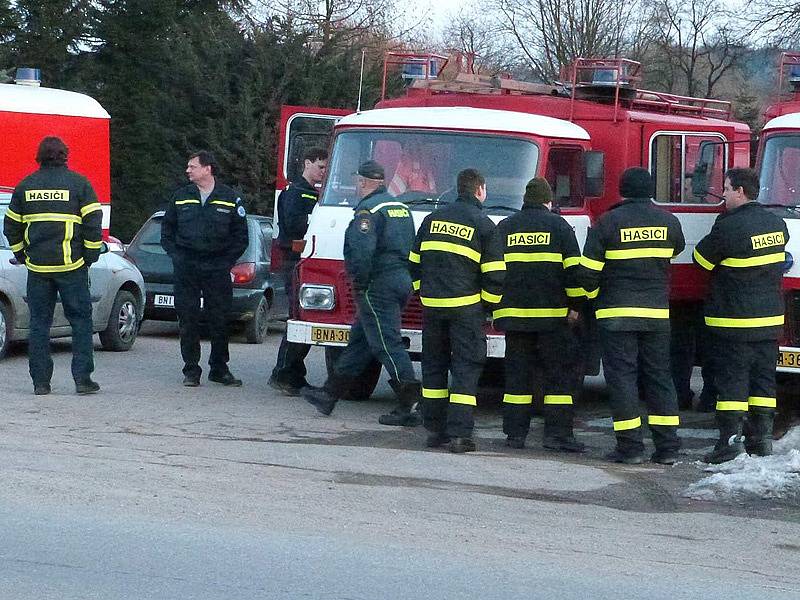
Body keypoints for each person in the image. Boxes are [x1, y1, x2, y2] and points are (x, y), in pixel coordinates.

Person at [578, 167, 685, 465]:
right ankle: (667, 447)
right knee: (659, 377)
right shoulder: (668, 221)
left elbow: (588, 273)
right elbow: (674, 250)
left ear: (623, 190)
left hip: (617, 314)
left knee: (623, 379)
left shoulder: (608, 222)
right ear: (650, 190)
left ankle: (630, 447)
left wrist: (589, 297)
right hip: (656, 315)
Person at [303, 160, 421, 426]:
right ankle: (329, 394)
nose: (357, 186)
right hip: (400, 279)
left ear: (365, 182)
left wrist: (360, 283)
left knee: (386, 342)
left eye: (358, 181)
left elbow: (362, 252)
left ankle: (410, 404)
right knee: (360, 342)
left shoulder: (368, 211)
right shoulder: (401, 208)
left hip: (378, 284)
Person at [693, 167, 789, 463]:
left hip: (734, 321)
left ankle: (729, 444)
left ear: (740, 191)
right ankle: (761, 441)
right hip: (770, 321)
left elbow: (700, 260)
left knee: (732, 384)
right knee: (763, 383)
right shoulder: (777, 225)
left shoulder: (729, 227)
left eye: (726, 188)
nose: (722, 193)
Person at [411, 168, 505, 453]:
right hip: (466, 310)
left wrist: (423, 293)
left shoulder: (432, 220)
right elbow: (495, 274)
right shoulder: (485, 225)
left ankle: (435, 431)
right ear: (480, 190)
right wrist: (486, 306)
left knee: (434, 368)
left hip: (433, 308)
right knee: (466, 368)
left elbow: (414, 263)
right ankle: (460, 435)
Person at [3, 136, 103, 395]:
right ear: (64, 156)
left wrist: (22, 255)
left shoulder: (26, 186)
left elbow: (11, 226)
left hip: (38, 269)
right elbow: (93, 222)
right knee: (81, 322)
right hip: (72, 268)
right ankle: (83, 380)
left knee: (39, 324)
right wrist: (90, 255)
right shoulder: (79, 184)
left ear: (39, 156)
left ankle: (40, 383)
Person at [492, 178, 585, 453]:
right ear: (548, 201)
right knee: (558, 378)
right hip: (553, 320)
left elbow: (493, 271)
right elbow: (574, 273)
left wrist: (493, 307)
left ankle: (515, 435)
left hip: (515, 320)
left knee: (517, 378)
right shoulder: (559, 227)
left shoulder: (506, 227)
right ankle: (557, 436)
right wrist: (576, 306)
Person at [161, 150, 248, 387]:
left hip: (217, 267)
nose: (188, 170)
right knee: (187, 319)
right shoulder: (180, 196)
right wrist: (177, 257)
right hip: (187, 267)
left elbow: (241, 237)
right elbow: (167, 232)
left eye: (193, 166)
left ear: (207, 169)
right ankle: (191, 370)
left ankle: (219, 369)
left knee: (219, 319)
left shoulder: (230, 198)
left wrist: (225, 262)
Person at [269, 147, 328, 395]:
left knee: (304, 318)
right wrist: (319, 221)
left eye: (326, 168)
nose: (324, 172)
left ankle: (294, 374)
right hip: (295, 261)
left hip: (304, 261)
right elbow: (294, 225)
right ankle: (283, 373)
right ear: (307, 163)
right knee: (299, 318)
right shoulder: (296, 192)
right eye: (320, 167)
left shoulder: (313, 193)